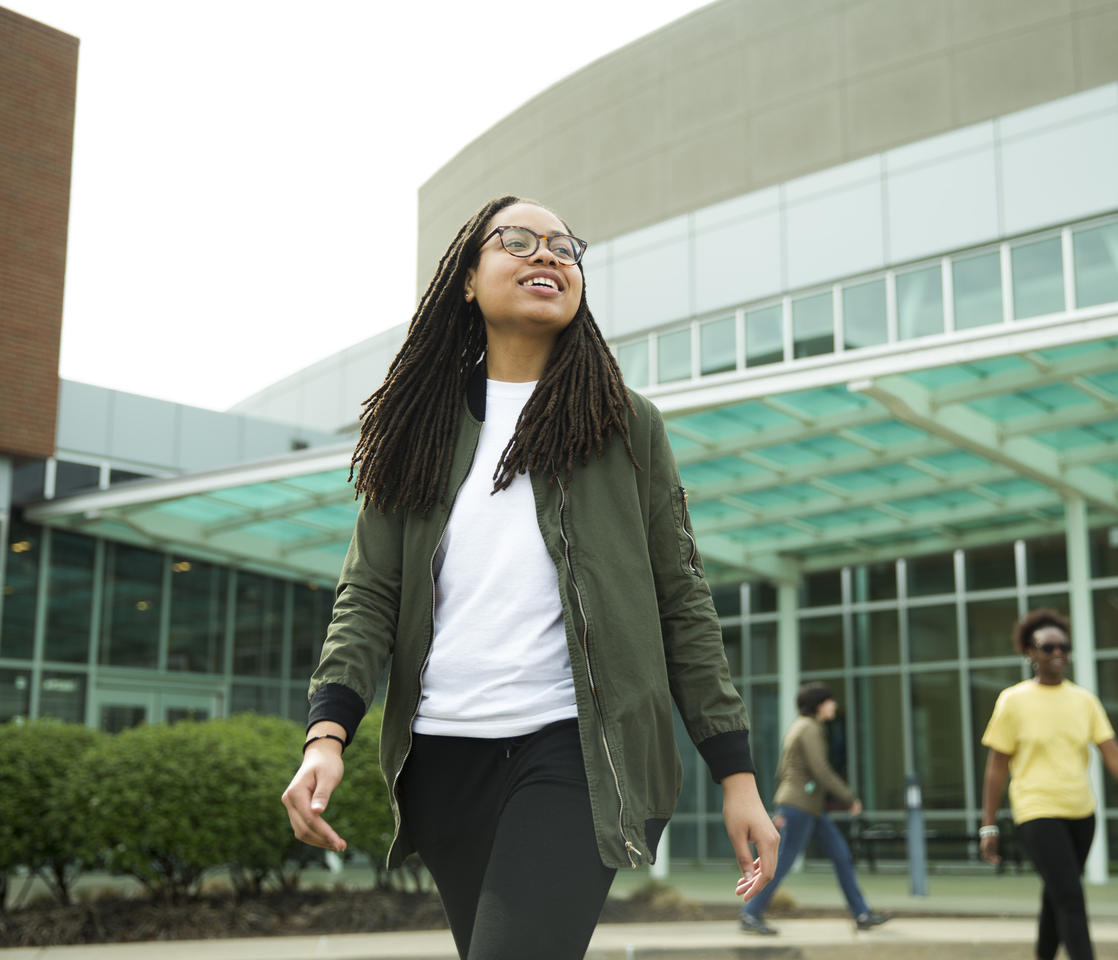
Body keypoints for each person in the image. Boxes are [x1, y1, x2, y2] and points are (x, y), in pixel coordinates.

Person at [280, 196, 779, 960]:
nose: (547, 255)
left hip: (578, 754)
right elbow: (370, 593)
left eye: (565, 247)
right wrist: (327, 734)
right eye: (518, 241)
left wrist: (735, 772)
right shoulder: (419, 426)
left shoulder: (624, 424)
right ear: (469, 280)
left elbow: (682, 598)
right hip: (442, 762)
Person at [980, 608, 1118, 960]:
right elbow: (996, 768)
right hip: (1036, 812)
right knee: (1071, 897)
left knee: (1057, 895)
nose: (1058, 654)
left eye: (1063, 646)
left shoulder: (1084, 700)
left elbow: (1114, 754)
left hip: (1082, 813)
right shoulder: (1012, 700)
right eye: (1047, 647)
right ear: (1029, 652)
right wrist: (988, 825)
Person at [739, 681, 891, 935]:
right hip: (800, 807)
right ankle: (750, 914)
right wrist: (850, 797)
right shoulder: (809, 728)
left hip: (806, 807)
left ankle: (862, 913)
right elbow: (820, 770)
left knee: (842, 856)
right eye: (830, 700)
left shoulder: (799, 726)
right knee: (782, 861)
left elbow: (782, 772)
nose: (834, 705)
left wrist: (783, 803)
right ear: (820, 704)